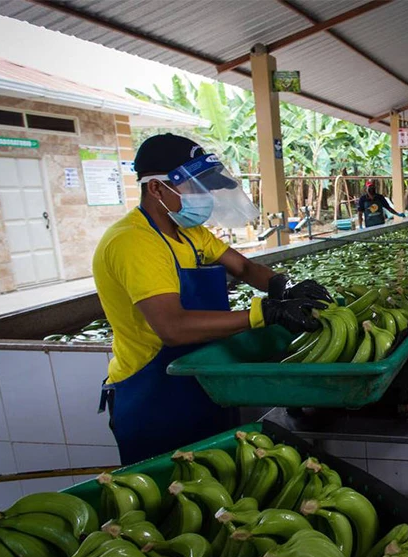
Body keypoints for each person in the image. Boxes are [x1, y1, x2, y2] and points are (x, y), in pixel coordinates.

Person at [93, 134, 330, 465]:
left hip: (206, 382)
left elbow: (244, 266)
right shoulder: (134, 243)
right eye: (193, 186)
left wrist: (282, 286)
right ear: (156, 189)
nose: (204, 196)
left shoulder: (189, 233)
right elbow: (172, 327)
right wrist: (266, 313)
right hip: (155, 398)